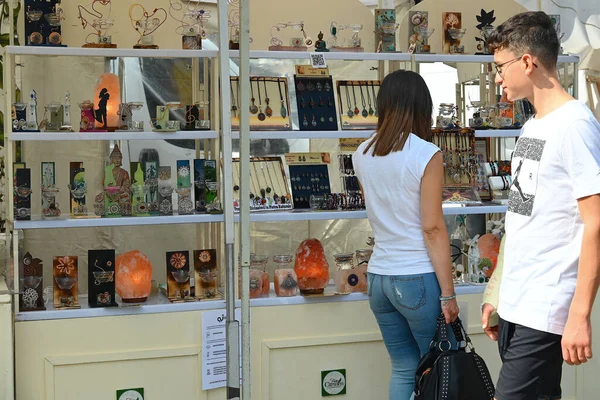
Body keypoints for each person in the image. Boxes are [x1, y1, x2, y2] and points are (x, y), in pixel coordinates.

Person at [479, 11, 600, 400]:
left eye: (500, 67)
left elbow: (596, 222)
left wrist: (580, 315)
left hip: (546, 305)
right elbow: (520, 216)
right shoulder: (533, 126)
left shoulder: (576, 126)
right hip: (517, 303)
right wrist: (498, 290)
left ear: (527, 62)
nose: (497, 77)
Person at [352, 70, 459, 400]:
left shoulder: (362, 153)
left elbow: (378, 213)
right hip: (417, 277)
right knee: (441, 365)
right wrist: (448, 293)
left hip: (381, 277)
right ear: (421, 107)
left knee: (403, 366)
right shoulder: (426, 153)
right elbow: (432, 227)